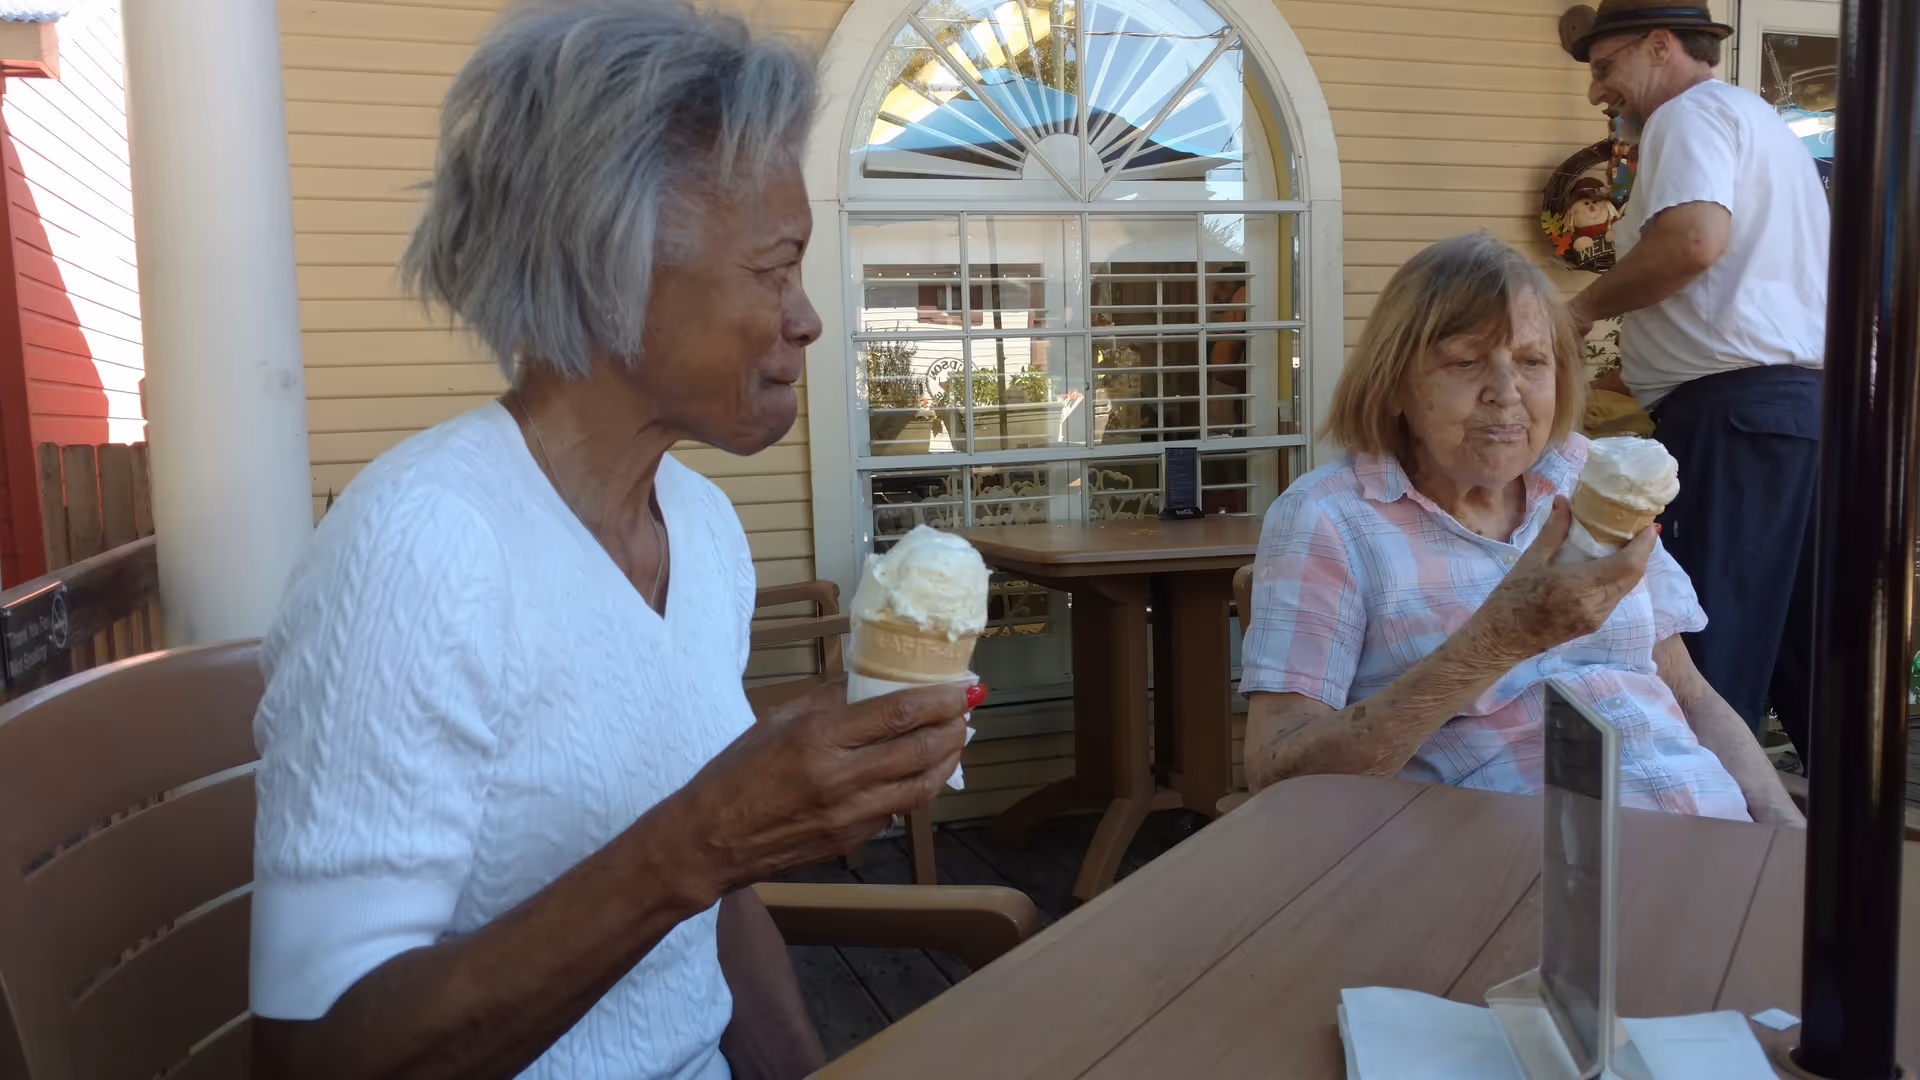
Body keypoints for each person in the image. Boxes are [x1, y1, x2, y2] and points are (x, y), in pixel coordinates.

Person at [246, 4, 974, 1078]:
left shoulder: (705, 532)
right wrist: (705, 839)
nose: (807, 318)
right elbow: (316, 1059)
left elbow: (713, 919)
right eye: (775, 270)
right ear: (611, 266)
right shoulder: (422, 550)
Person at [1238, 233, 1802, 828]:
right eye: (1465, 362)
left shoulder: (1587, 475)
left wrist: (1785, 828)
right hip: (1519, 877)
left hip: (1712, 839)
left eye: (1532, 362)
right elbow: (1278, 771)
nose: (1506, 394)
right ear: (1396, 381)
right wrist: (1495, 644)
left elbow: (1690, 696)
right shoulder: (1331, 517)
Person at [1559, 0, 1829, 753]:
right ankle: (1850, 857)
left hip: (1733, 417)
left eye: (1605, 67)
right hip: (1796, 415)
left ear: (1658, 45)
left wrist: (1577, 314)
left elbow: (1692, 241)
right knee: (1807, 657)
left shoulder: (1686, 115)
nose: (1596, 93)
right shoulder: (1759, 123)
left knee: (1712, 657)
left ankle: (1702, 856)